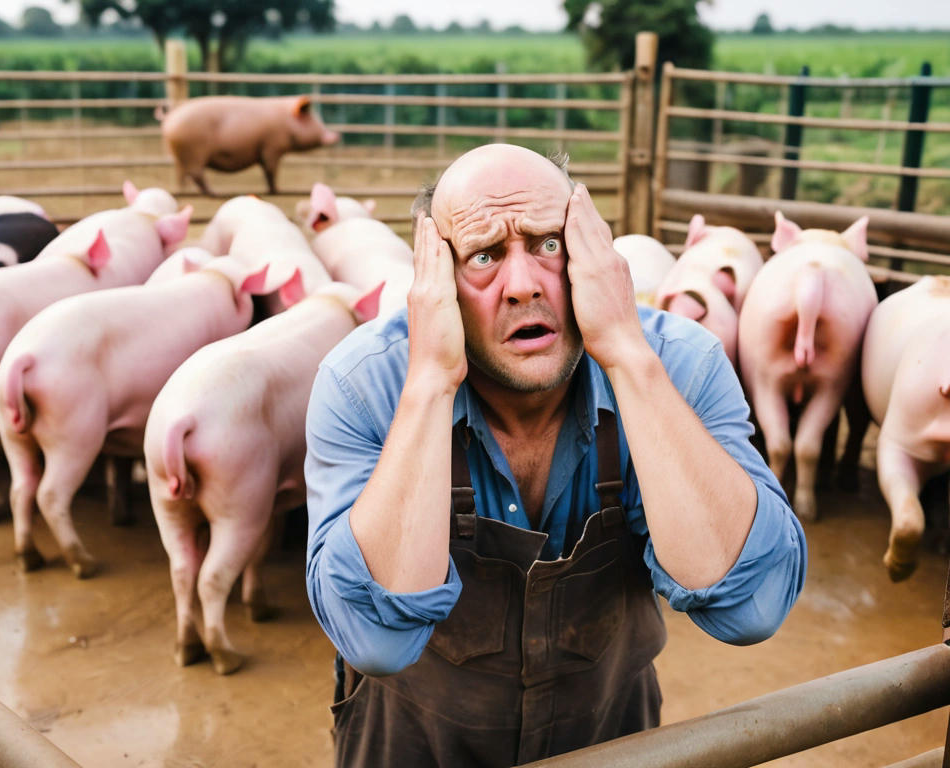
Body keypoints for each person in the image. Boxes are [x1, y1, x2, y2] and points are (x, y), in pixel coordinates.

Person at [304, 143, 806, 768]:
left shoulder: (678, 365)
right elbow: (375, 640)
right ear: (436, 283)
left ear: (590, 251)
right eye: (483, 257)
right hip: (412, 743)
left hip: (609, 738)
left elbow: (752, 606)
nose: (521, 287)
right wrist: (431, 380)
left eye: (548, 243)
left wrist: (624, 351)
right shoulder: (365, 387)